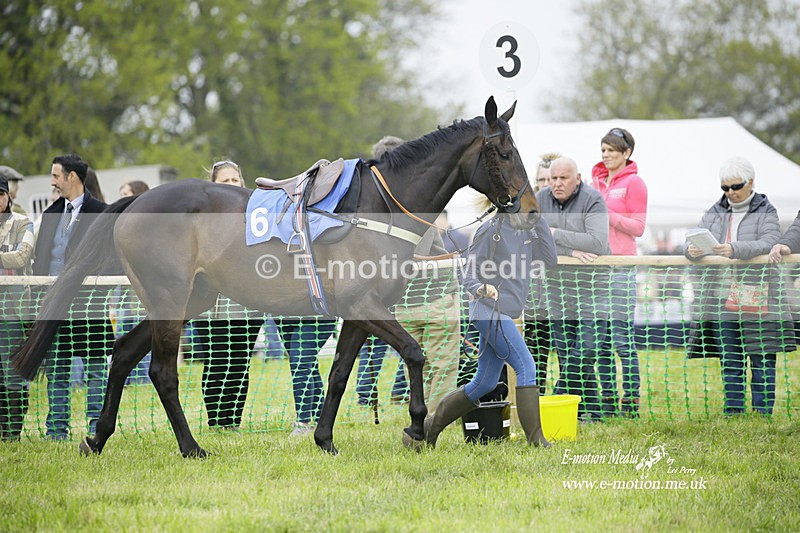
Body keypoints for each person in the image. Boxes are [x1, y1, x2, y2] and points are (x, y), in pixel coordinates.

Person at [424, 210, 557, 448]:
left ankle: (428, 428)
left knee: (484, 383)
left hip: (503, 311)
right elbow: (468, 271)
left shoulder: (529, 229)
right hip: (488, 310)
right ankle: (537, 441)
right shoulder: (490, 229)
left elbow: (550, 259)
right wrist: (479, 287)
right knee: (526, 365)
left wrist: (540, 219)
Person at [355, 136, 463, 412]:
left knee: (439, 368)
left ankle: (433, 423)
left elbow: (413, 253)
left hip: (435, 297)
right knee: (422, 367)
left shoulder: (412, 208)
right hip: (407, 302)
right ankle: (426, 420)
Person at [686, 157, 795, 415]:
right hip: (722, 299)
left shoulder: (766, 210)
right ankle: (733, 412)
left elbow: (770, 241)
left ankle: (762, 413)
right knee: (730, 359)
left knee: (762, 358)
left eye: (736, 186)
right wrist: (691, 250)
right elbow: (693, 238)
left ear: (751, 183)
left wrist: (735, 249)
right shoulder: (714, 210)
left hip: (761, 297)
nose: (730, 193)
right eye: (725, 188)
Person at [32, 154, 114, 440]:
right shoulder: (51, 213)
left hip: (87, 307)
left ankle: (95, 428)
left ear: (72, 178)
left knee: (94, 373)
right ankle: (56, 431)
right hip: (53, 307)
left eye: (56, 176)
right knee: (56, 372)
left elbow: (110, 260)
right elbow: (41, 262)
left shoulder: (103, 213)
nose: (52, 182)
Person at [537, 156, 610, 423]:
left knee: (586, 349)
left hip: (594, 287)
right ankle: (591, 413)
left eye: (563, 178)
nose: (556, 183)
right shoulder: (541, 198)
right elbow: (533, 238)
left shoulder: (593, 200)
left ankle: (555, 400)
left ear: (577, 179)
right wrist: (570, 250)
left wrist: (555, 234)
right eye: (553, 178)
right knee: (568, 352)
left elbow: (599, 243)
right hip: (556, 287)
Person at [194, 160, 264, 429]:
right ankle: (216, 420)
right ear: (213, 186)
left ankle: (232, 421)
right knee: (215, 360)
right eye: (226, 181)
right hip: (209, 305)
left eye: (236, 180)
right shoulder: (201, 219)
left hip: (245, 303)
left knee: (239, 361)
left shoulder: (254, 216)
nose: (233, 185)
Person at [590, 127, 648, 417]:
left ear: (626, 153)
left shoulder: (635, 183)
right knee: (600, 340)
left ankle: (631, 401)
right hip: (597, 268)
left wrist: (608, 215)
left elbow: (638, 227)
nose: (606, 155)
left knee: (622, 339)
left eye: (612, 150)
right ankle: (608, 400)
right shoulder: (595, 182)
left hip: (622, 267)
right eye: (603, 150)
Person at [0, 174, 34, 440]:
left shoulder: (22, 222)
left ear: (7, 196)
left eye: (0, 195)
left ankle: (13, 432)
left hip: (13, 309)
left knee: (12, 372)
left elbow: (22, 256)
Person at [523, 152, 561, 393]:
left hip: (558, 294)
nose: (546, 185)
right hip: (531, 297)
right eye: (542, 180)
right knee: (534, 352)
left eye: (550, 180)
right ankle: (536, 396)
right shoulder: (528, 210)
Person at [110, 180, 152, 384]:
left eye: (125, 193)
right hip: (123, 294)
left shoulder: (147, 223)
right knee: (124, 336)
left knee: (143, 337)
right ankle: (127, 380)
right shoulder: (123, 224)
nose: (121, 197)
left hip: (141, 296)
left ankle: (143, 381)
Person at [277, 316, 338, 436]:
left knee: (300, 366)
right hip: (283, 316)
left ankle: (303, 423)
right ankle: (320, 419)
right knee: (308, 367)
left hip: (316, 316)